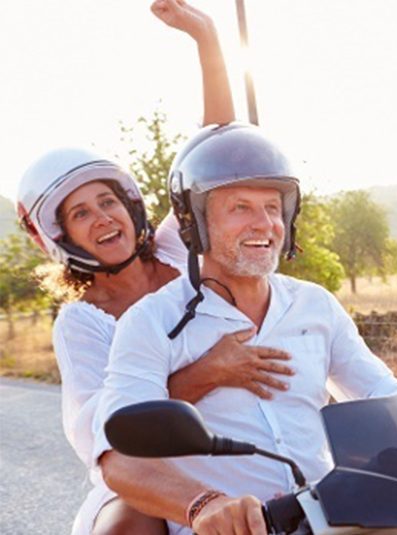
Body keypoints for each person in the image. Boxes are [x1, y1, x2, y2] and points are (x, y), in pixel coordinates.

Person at [93, 123, 397, 535]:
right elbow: (119, 457)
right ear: (196, 223)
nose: (264, 224)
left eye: (272, 207)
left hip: (334, 519)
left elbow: (379, 389)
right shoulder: (152, 323)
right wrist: (203, 503)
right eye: (240, 207)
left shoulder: (313, 304)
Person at [15, 2, 293, 533]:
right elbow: (111, 435)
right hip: (151, 473)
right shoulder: (82, 322)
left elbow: (218, 147)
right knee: (129, 523)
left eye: (108, 202)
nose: (102, 218)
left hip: (237, 438)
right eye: (80, 213)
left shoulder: (177, 247)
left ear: (131, 206)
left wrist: (206, 39)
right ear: (62, 237)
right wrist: (206, 372)